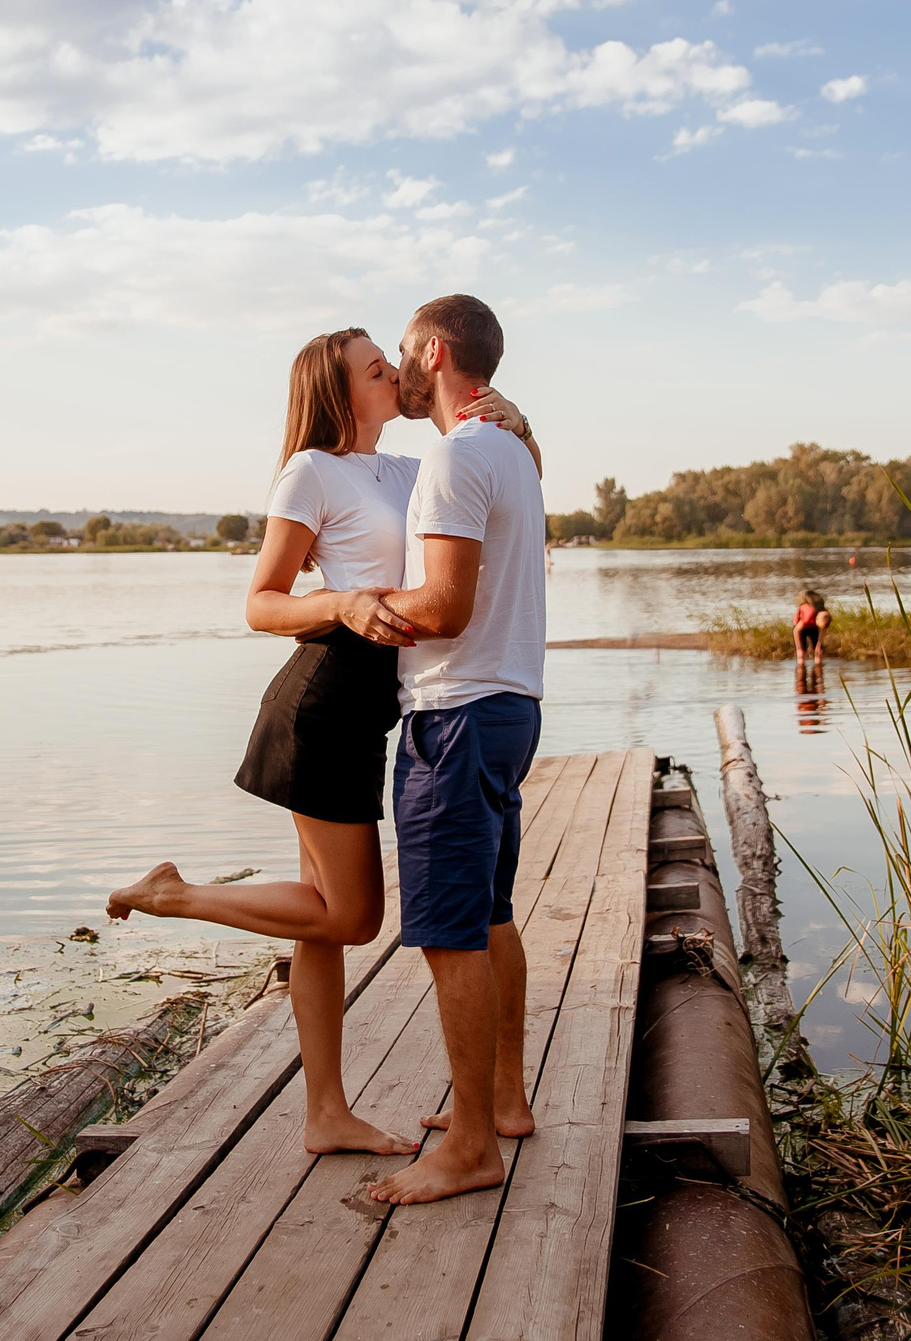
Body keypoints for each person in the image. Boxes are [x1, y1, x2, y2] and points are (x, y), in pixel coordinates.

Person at [105, 326, 537, 1157]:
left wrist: (517, 424)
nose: (396, 374)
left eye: (395, 361)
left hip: (378, 707)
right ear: (341, 392)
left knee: (320, 922)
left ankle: (325, 1112)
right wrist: (341, 602)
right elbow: (262, 602)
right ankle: (176, 893)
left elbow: (498, 501)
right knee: (353, 917)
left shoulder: (414, 467)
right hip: (322, 707)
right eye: (377, 368)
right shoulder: (310, 472)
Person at [362, 294, 547, 1207]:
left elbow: (443, 609)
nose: (394, 367)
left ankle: (473, 1142)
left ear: (434, 353)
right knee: (492, 912)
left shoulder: (453, 455)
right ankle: (504, 1098)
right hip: (511, 706)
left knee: (446, 935)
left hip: (456, 712)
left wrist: (353, 609)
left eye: (401, 352)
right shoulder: (510, 448)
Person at [793, 589, 829, 667]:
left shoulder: (825, 616)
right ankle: (801, 672)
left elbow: (822, 629)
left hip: (813, 627)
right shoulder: (808, 616)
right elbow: (796, 630)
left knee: (819, 652)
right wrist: (799, 648)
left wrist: (818, 646)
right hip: (800, 629)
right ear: (816, 619)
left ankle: (818, 671)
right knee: (801, 654)